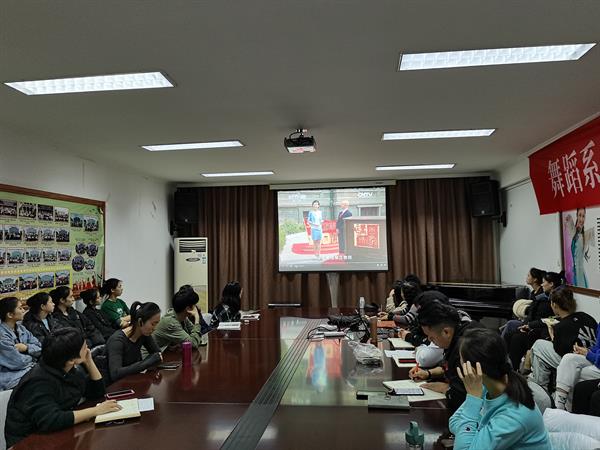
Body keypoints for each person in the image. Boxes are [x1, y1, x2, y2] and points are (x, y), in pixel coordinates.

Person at [4, 328, 121, 447]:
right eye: (84, 347)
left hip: (55, 434)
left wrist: (89, 362)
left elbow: (98, 392)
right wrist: (96, 411)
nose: (87, 348)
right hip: (28, 442)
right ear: (71, 359)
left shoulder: (67, 369)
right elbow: (51, 420)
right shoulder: (38, 381)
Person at [449, 328, 551, 450]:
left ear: (473, 369)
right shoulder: (489, 385)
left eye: (461, 360)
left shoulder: (515, 415)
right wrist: (474, 435)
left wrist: (473, 398)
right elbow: (453, 421)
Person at [408, 299, 483, 411]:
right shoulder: (458, 329)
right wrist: (428, 373)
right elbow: (448, 367)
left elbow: (463, 397)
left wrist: (445, 389)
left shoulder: (466, 346)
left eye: (432, 337)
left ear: (446, 332)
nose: (430, 340)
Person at [529, 288, 597, 392]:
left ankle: (541, 389)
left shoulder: (561, 326)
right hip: (592, 356)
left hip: (576, 360)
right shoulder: (587, 316)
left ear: (554, 305)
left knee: (538, 346)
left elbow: (560, 350)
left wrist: (552, 335)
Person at [506, 270, 564, 371]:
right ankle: (506, 362)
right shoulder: (543, 296)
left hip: (541, 331)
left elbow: (551, 319)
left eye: (544, 282)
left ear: (551, 284)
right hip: (536, 327)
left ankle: (513, 369)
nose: (542, 284)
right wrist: (528, 325)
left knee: (516, 337)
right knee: (511, 332)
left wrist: (530, 326)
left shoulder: (554, 299)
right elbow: (535, 315)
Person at [105, 301, 162, 382]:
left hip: (135, 380)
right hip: (118, 385)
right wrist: (147, 363)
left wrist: (152, 360)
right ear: (140, 322)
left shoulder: (143, 333)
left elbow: (157, 354)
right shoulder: (117, 341)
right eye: (153, 324)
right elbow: (115, 374)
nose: (155, 328)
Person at [554, 321, 600, 410]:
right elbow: (598, 347)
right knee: (568, 359)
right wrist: (587, 350)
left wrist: (588, 354)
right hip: (597, 361)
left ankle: (569, 410)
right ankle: (559, 406)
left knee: (573, 373)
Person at [0, 297, 41, 390]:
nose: (23, 310)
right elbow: (18, 362)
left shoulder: (21, 328)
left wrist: (26, 348)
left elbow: (40, 346)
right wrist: (33, 357)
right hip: (10, 378)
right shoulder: (1, 336)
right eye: (20, 308)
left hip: (28, 370)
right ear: (10, 314)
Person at [153, 285, 211, 351]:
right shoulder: (171, 323)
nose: (196, 307)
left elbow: (197, 338)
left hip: (164, 352)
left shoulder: (183, 317)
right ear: (188, 308)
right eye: (194, 305)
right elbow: (193, 344)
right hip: (152, 356)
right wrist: (197, 319)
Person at [501, 267, 546, 340]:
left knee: (510, 324)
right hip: (528, 321)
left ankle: (499, 344)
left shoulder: (541, 295)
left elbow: (535, 313)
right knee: (505, 327)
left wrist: (526, 323)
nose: (526, 277)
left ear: (535, 279)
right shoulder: (533, 293)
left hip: (532, 324)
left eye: (528, 275)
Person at [564, 208, 593, 288]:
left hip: (579, 274)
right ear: (576, 216)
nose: (581, 219)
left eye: (583, 216)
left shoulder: (584, 236)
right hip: (574, 273)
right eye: (580, 215)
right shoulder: (573, 233)